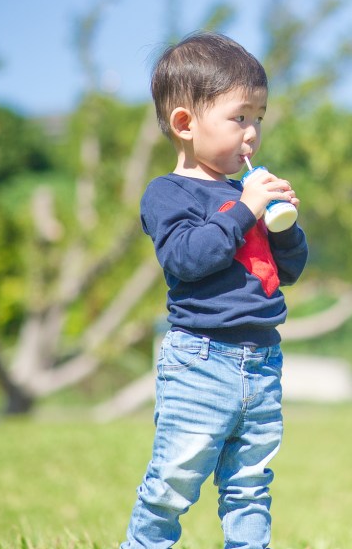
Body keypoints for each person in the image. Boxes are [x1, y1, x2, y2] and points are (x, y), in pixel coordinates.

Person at [121, 31, 309, 549]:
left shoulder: (242, 193)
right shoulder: (169, 194)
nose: (252, 133)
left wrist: (283, 227)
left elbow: (287, 271)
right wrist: (245, 209)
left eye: (259, 118)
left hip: (263, 362)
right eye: (239, 117)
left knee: (250, 489)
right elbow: (187, 259)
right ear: (184, 123)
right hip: (201, 362)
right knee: (172, 486)